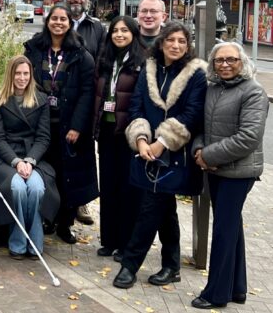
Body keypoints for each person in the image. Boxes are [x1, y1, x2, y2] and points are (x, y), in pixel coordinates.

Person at [113, 22, 207, 289]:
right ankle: (171, 265)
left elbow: (192, 114)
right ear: (162, 42)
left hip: (176, 153)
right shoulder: (149, 69)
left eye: (182, 41)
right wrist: (141, 139)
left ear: (188, 46)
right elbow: (136, 105)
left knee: (150, 207)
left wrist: (163, 142)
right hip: (147, 151)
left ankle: (130, 265)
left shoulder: (196, 74)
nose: (176, 45)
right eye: (171, 40)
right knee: (165, 209)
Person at [190, 42, 269, 309]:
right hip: (215, 169)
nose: (224, 64)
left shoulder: (254, 92)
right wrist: (199, 149)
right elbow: (201, 125)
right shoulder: (213, 89)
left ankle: (215, 294)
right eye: (219, 60)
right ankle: (237, 288)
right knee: (231, 226)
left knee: (223, 230)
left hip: (238, 173)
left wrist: (208, 156)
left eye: (231, 60)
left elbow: (248, 138)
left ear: (242, 61)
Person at [23, 4, 97, 244]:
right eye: (54, 18)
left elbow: (87, 92)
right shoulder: (34, 49)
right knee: (45, 173)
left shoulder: (80, 54)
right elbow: (22, 79)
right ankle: (47, 218)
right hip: (40, 124)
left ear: (69, 23)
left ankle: (65, 223)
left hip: (68, 126)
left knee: (67, 176)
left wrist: (77, 126)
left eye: (63, 19)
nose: (58, 23)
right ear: (47, 21)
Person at [92, 16, 146, 262]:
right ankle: (109, 240)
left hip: (128, 134)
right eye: (115, 30)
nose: (119, 34)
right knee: (110, 188)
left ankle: (126, 244)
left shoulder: (141, 62)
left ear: (134, 33)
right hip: (106, 131)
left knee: (128, 190)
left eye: (124, 30)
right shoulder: (105, 60)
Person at [0, 55, 52, 259]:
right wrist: (16, 162)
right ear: (10, 74)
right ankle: (17, 241)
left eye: (26, 73)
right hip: (7, 159)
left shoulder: (41, 100)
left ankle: (34, 243)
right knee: (16, 188)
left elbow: (43, 137)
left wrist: (30, 161)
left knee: (35, 188)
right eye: (18, 73)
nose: (22, 78)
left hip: (34, 158)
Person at [61, 0, 105, 227]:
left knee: (83, 155)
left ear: (87, 0)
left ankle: (81, 201)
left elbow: (102, 61)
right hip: (61, 99)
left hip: (86, 99)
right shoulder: (56, 22)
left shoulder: (96, 28)